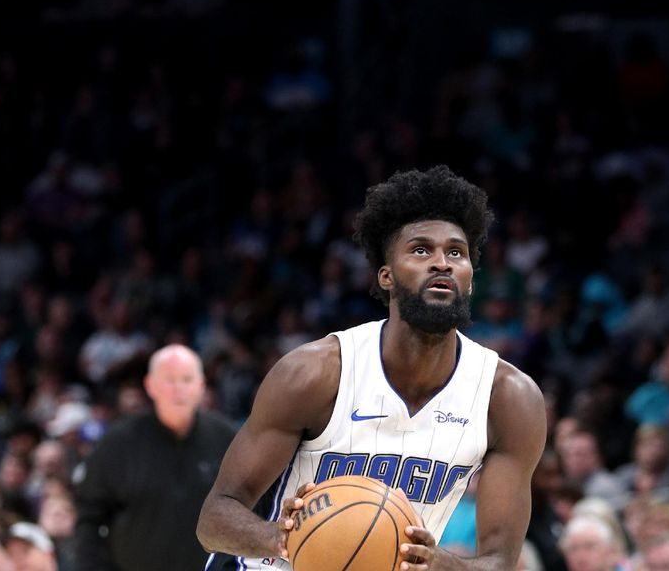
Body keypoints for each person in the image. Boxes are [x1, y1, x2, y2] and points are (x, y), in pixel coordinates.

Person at [197, 167, 546, 570]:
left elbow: (499, 562)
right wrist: (283, 537)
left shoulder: (507, 398)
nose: (442, 263)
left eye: (456, 252)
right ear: (386, 276)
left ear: (469, 279)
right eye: (420, 250)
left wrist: (439, 564)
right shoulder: (315, 373)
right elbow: (214, 518)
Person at [74, 344, 237, 571]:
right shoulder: (116, 444)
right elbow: (89, 520)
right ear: (150, 386)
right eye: (169, 380)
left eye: (186, 379)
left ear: (201, 386)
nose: (178, 388)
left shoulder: (229, 440)